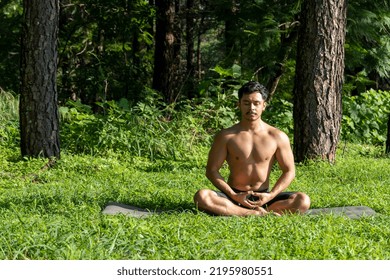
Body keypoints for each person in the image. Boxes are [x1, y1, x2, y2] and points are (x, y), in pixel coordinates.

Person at [194, 81, 310, 216]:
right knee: (202, 196)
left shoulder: (277, 136)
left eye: (256, 103)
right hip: (234, 196)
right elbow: (211, 171)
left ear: (264, 106)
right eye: (246, 103)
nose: (252, 108)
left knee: (303, 200)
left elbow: (289, 171)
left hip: (265, 197)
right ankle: (256, 214)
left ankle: (252, 211)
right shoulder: (226, 136)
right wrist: (233, 194)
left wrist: (271, 195)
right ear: (239, 105)